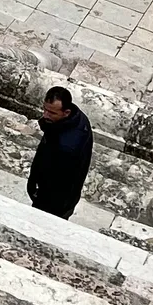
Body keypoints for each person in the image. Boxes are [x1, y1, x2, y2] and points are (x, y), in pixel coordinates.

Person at [27, 86, 94, 220]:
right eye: (45, 109)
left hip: (54, 201)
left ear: (66, 112)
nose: (45, 115)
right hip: (66, 197)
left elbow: (55, 181)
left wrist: (35, 191)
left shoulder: (65, 147)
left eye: (51, 112)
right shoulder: (78, 117)